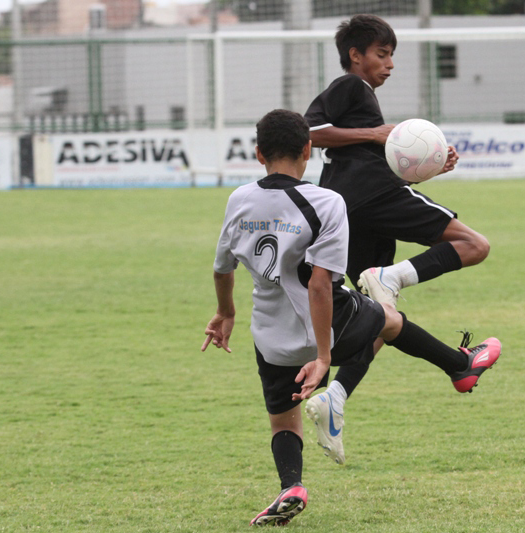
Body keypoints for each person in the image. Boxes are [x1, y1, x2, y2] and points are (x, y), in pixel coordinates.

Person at [202, 109, 501, 526]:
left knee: (283, 420)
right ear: (308, 150)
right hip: (328, 326)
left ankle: (292, 486)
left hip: (272, 336)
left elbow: (222, 267)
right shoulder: (326, 201)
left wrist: (224, 313)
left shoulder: (239, 200)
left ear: (257, 154)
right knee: (387, 319)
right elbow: (321, 286)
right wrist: (324, 357)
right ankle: (458, 366)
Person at [303, 14, 494, 461]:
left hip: (347, 208)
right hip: (368, 196)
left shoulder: (361, 97)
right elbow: (308, 133)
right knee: (475, 245)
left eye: (392, 56)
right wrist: (374, 132)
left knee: (379, 318)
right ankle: (391, 278)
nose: (389, 64)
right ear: (356, 55)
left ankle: (337, 398)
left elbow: (371, 153)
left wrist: (429, 164)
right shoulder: (350, 86)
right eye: (382, 54)